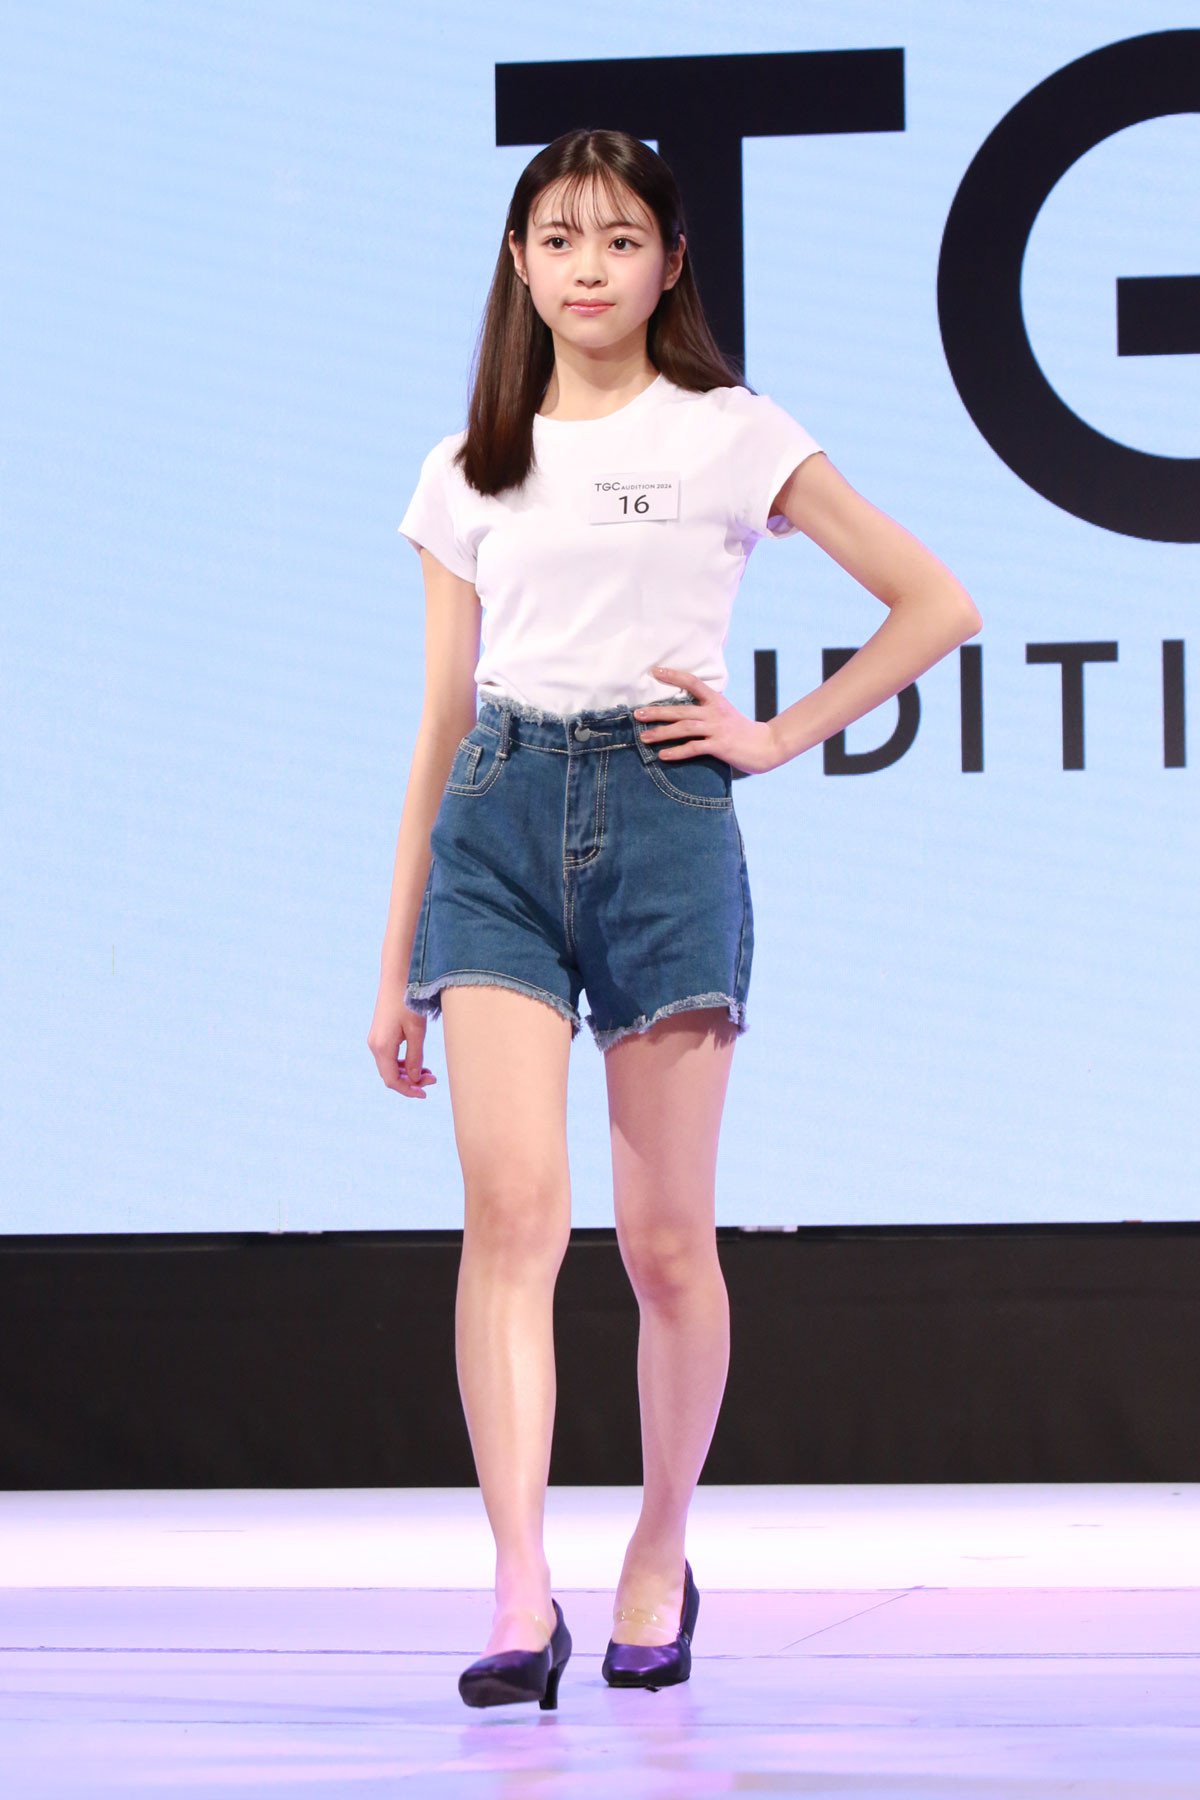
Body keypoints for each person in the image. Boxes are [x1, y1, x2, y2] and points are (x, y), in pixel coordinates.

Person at [368, 126, 982, 1711]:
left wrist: (774, 735)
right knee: (510, 1220)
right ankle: (520, 1591)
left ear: (671, 262)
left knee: (663, 1243)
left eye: (622, 238)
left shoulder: (729, 432)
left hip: (662, 827)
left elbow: (935, 601)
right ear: (519, 263)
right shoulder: (466, 466)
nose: (590, 267)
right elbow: (439, 722)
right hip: (497, 828)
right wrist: (394, 962)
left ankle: (658, 1548)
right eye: (561, 238)